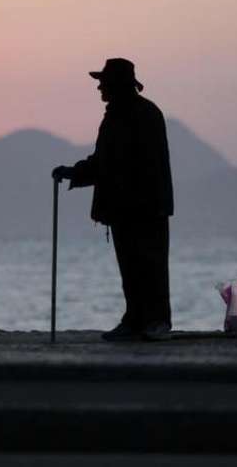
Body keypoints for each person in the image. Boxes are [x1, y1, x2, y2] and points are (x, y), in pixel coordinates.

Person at [53, 58, 173, 341]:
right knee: (131, 269)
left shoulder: (145, 114)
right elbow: (103, 161)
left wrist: (80, 173)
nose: (99, 88)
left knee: (151, 267)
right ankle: (134, 320)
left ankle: (156, 322)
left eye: (103, 83)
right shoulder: (115, 116)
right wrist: (74, 172)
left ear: (117, 85)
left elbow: (135, 164)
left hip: (146, 209)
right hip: (123, 209)